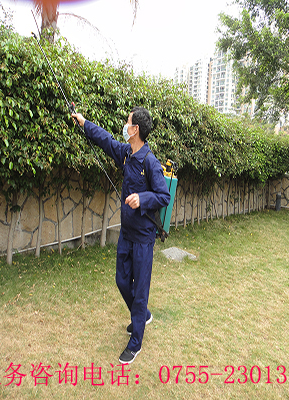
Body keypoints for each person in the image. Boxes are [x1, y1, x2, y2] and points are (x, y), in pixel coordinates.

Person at [72, 107, 171, 364]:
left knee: (140, 291)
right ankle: (142, 315)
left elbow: (164, 196)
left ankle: (135, 341)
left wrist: (142, 198)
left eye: (128, 122)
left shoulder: (150, 162)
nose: (125, 126)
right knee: (122, 280)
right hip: (126, 234)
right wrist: (83, 122)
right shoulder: (127, 154)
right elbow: (105, 140)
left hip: (143, 239)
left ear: (135, 129)